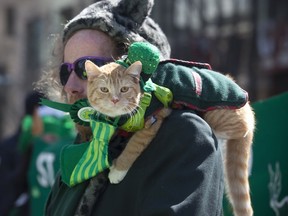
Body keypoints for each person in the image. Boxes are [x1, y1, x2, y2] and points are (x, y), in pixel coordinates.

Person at [36, 0, 226, 215]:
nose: (70, 87)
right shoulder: (81, 154)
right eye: (65, 71)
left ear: (137, 75)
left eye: (86, 69)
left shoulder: (184, 136)